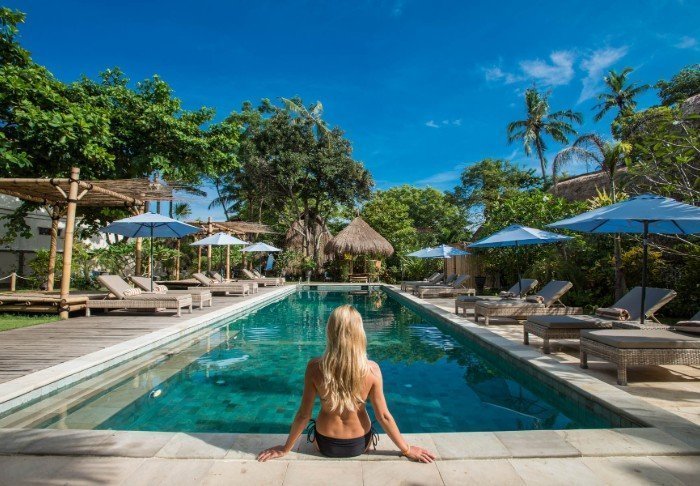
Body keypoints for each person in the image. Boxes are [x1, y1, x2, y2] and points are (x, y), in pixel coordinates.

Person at [257, 305, 436, 463]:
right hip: (360, 443)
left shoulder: (315, 367)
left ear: (330, 331)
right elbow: (383, 416)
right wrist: (406, 449)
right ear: (359, 333)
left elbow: (304, 415)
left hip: (325, 443)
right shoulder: (372, 370)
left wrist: (285, 448)